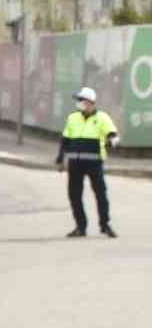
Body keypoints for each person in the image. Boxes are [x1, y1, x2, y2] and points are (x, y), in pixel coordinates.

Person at [56, 86, 119, 238]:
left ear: (91, 102)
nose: (79, 103)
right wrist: (60, 159)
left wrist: (111, 142)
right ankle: (80, 227)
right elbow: (65, 140)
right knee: (74, 195)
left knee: (100, 194)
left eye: (81, 100)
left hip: (94, 163)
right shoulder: (72, 118)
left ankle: (104, 225)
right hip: (75, 163)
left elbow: (113, 135)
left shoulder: (102, 118)